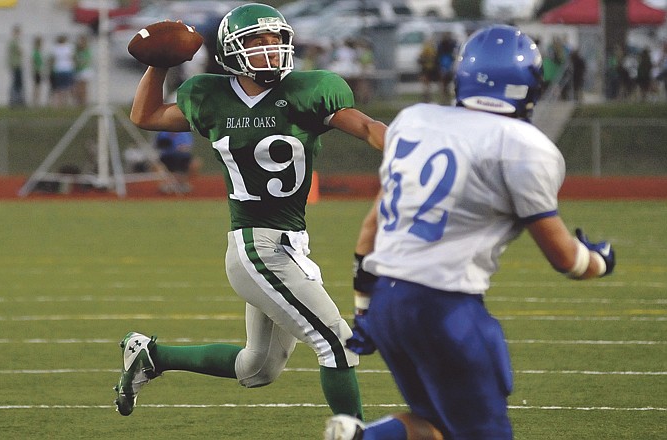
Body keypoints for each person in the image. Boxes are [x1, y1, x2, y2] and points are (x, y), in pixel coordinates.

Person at [325, 24, 616, 440]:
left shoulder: (414, 119)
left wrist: (365, 305)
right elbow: (565, 258)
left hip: (388, 299)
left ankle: (361, 437)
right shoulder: (523, 145)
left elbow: (373, 224)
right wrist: (600, 260)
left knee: (434, 424)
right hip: (444, 307)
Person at [114, 2, 386, 428]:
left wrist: (407, 149)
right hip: (255, 246)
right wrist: (159, 67)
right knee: (337, 342)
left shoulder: (311, 89)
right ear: (231, 50)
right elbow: (145, 116)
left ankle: (151, 354)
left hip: (291, 243)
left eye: (276, 39)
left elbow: (367, 126)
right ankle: (355, 433)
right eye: (257, 41)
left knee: (256, 369)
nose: (270, 48)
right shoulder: (211, 95)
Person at [7, 25, 26, 108]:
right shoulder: (14, 42)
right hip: (16, 64)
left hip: (17, 64)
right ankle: (15, 101)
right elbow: (20, 52)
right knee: (16, 83)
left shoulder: (15, 42)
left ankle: (17, 100)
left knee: (18, 83)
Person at [74, 34, 93, 106]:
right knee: (78, 88)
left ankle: (83, 101)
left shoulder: (86, 50)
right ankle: (79, 101)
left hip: (84, 70)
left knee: (83, 87)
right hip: (78, 70)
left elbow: (85, 60)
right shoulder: (77, 50)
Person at [31, 35, 46, 107]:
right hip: (37, 70)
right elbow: (33, 61)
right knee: (37, 86)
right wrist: (37, 69)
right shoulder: (36, 52)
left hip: (38, 70)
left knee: (38, 86)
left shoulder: (38, 52)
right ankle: (36, 101)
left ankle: (36, 101)